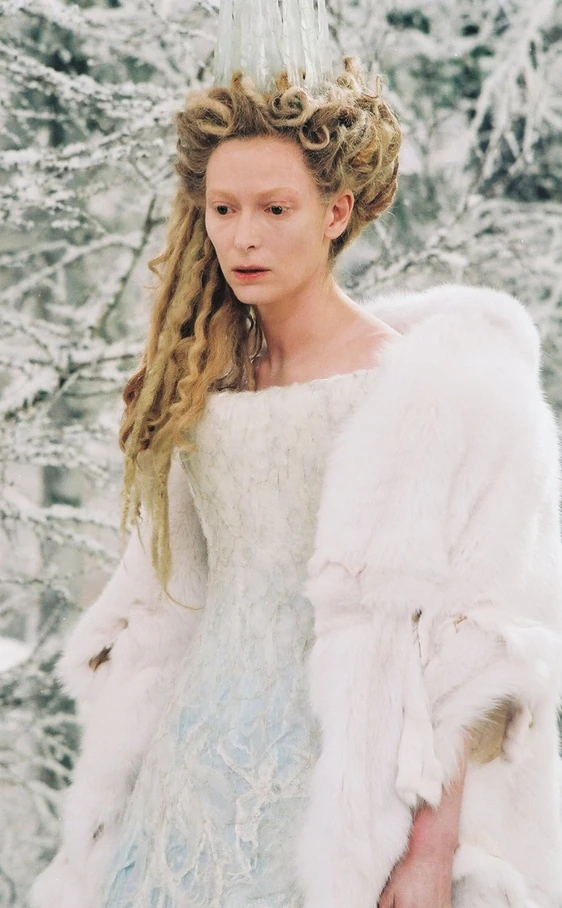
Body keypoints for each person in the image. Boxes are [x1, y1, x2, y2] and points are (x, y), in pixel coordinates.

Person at [30, 23, 562, 908]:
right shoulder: (203, 385)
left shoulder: (424, 389)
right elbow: (174, 603)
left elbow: (472, 646)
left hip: (345, 797)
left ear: (336, 212)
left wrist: (430, 855)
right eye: (223, 209)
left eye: (276, 210)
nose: (244, 236)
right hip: (189, 783)